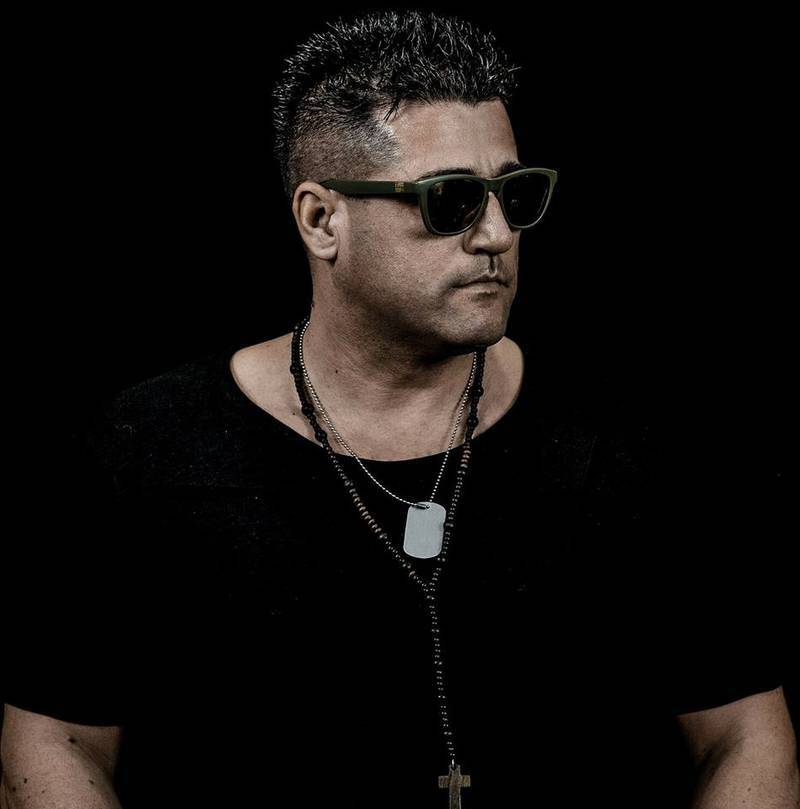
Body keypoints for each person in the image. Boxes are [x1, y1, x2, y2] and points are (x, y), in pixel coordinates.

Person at [2, 10, 797, 808]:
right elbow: (52, 740)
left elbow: (747, 735)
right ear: (322, 220)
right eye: (450, 199)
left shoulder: (628, 443)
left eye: (514, 193)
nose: (497, 234)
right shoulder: (146, 450)